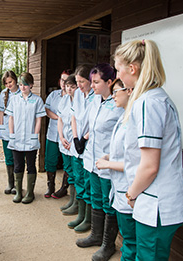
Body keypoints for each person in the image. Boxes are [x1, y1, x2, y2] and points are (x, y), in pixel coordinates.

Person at [114, 39, 183, 260]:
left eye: (119, 69)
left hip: (156, 203)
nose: (118, 76)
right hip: (154, 200)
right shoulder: (152, 98)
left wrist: (130, 194)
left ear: (132, 68)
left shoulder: (148, 103)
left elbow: (149, 166)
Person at [76, 63, 124, 261]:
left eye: (96, 82)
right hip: (92, 159)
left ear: (110, 82)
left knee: (107, 202)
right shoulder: (95, 100)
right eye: (92, 81)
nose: (92, 86)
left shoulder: (119, 104)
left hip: (108, 162)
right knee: (95, 197)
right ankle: (96, 235)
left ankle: (108, 244)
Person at [95, 78, 136, 260]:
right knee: (129, 240)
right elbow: (125, 153)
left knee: (131, 243)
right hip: (120, 188)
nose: (112, 97)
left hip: (129, 190)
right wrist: (110, 157)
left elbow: (136, 162)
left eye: (116, 92)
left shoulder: (134, 118)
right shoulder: (124, 115)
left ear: (129, 91)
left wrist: (108, 164)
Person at [5, 72, 46, 204]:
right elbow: (10, 118)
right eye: (21, 84)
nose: (23, 87)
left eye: (26, 85)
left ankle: (29, 193)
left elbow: (38, 120)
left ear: (31, 85)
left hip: (30, 138)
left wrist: (35, 135)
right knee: (18, 165)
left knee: (31, 165)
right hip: (16, 138)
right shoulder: (14, 99)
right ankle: (18, 192)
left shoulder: (37, 100)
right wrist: (11, 134)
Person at [67, 64, 95, 233]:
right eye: (77, 81)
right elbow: (74, 117)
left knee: (87, 181)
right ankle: (81, 214)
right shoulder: (77, 94)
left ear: (91, 80)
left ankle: (88, 219)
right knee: (78, 178)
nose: (79, 85)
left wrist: (85, 139)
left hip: (89, 143)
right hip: (78, 143)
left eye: (82, 81)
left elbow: (97, 121)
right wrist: (76, 137)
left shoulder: (96, 96)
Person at [44, 69, 73, 198]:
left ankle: (64, 188)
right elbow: (46, 108)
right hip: (53, 132)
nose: (64, 83)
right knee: (50, 159)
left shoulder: (74, 96)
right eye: (62, 80)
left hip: (67, 135)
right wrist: (57, 117)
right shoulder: (54, 95)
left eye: (67, 80)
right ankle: (50, 186)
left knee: (67, 162)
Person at [57, 74, 78, 215]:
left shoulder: (80, 100)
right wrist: (61, 137)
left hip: (74, 142)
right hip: (64, 141)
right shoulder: (63, 100)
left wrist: (72, 140)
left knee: (76, 174)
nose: (69, 89)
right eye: (67, 86)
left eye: (72, 86)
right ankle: (71, 200)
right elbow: (60, 120)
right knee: (68, 170)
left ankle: (77, 203)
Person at [0, 70, 21, 194]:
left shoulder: (22, 92)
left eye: (10, 82)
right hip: (6, 128)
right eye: (6, 83)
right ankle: (10, 183)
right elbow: (1, 111)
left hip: (19, 128)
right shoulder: (3, 94)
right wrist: (1, 127)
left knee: (17, 157)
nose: (9, 85)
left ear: (15, 80)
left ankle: (18, 184)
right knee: (8, 157)